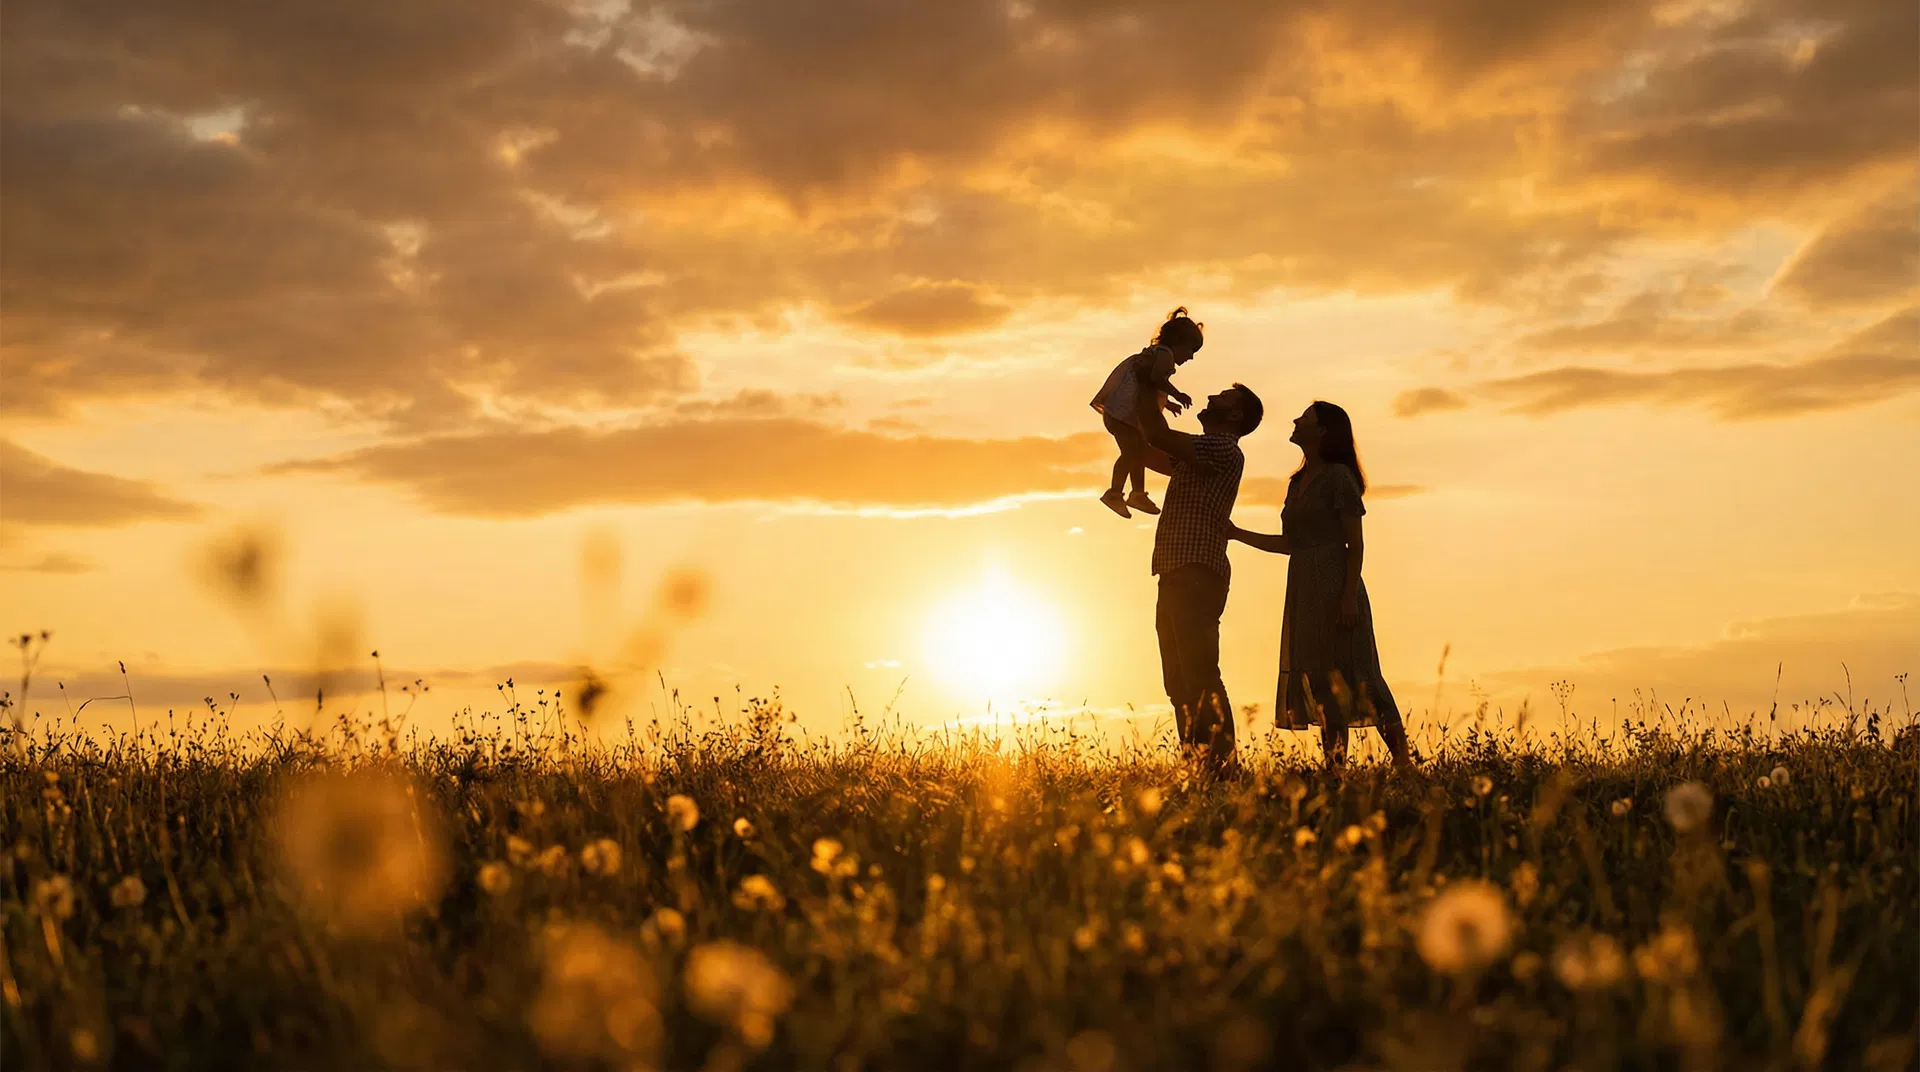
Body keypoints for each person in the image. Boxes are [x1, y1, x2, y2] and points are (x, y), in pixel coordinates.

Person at [1230, 401, 1412, 770]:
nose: (1296, 421)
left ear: (1323, 431)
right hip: (1302, 588)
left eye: (1305, 419)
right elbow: (1289, 544)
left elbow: (1355, 543)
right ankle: (1336, 768)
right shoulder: (1297, 483)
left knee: (1359, 673)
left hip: (1335, 582)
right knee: (1319, 680)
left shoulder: (1339, 477)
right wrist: (1236, 534)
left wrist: (1348, 598)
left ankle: (1404, 762)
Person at [1138, 381, 1263, 767]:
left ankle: (1221, 766)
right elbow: (1147, 451)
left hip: (1195, 571)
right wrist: (1126, 420)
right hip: (1178, 570)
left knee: (1199, 674)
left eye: (1224, 397)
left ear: (1235, 415)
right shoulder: (1200, 452)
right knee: (1179, 680)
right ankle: (1198, 763)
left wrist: (1144, 385)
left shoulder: (1220, 447)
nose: (1211, 397)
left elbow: (1156, 436)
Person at [1089, 308, 1202, 519]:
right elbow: (1157, 380)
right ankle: (1115, 493)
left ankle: (1137, 493)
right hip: (1122, 414)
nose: (1191, 357)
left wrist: (1167, 405)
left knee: (1137, 450)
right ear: (1178, 342)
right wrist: (1178, 395)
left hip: (1123, 413)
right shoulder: (1165, 355)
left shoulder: (1156, 354)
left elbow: (1149, 385)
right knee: (1131, 452)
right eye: (1191, 350)